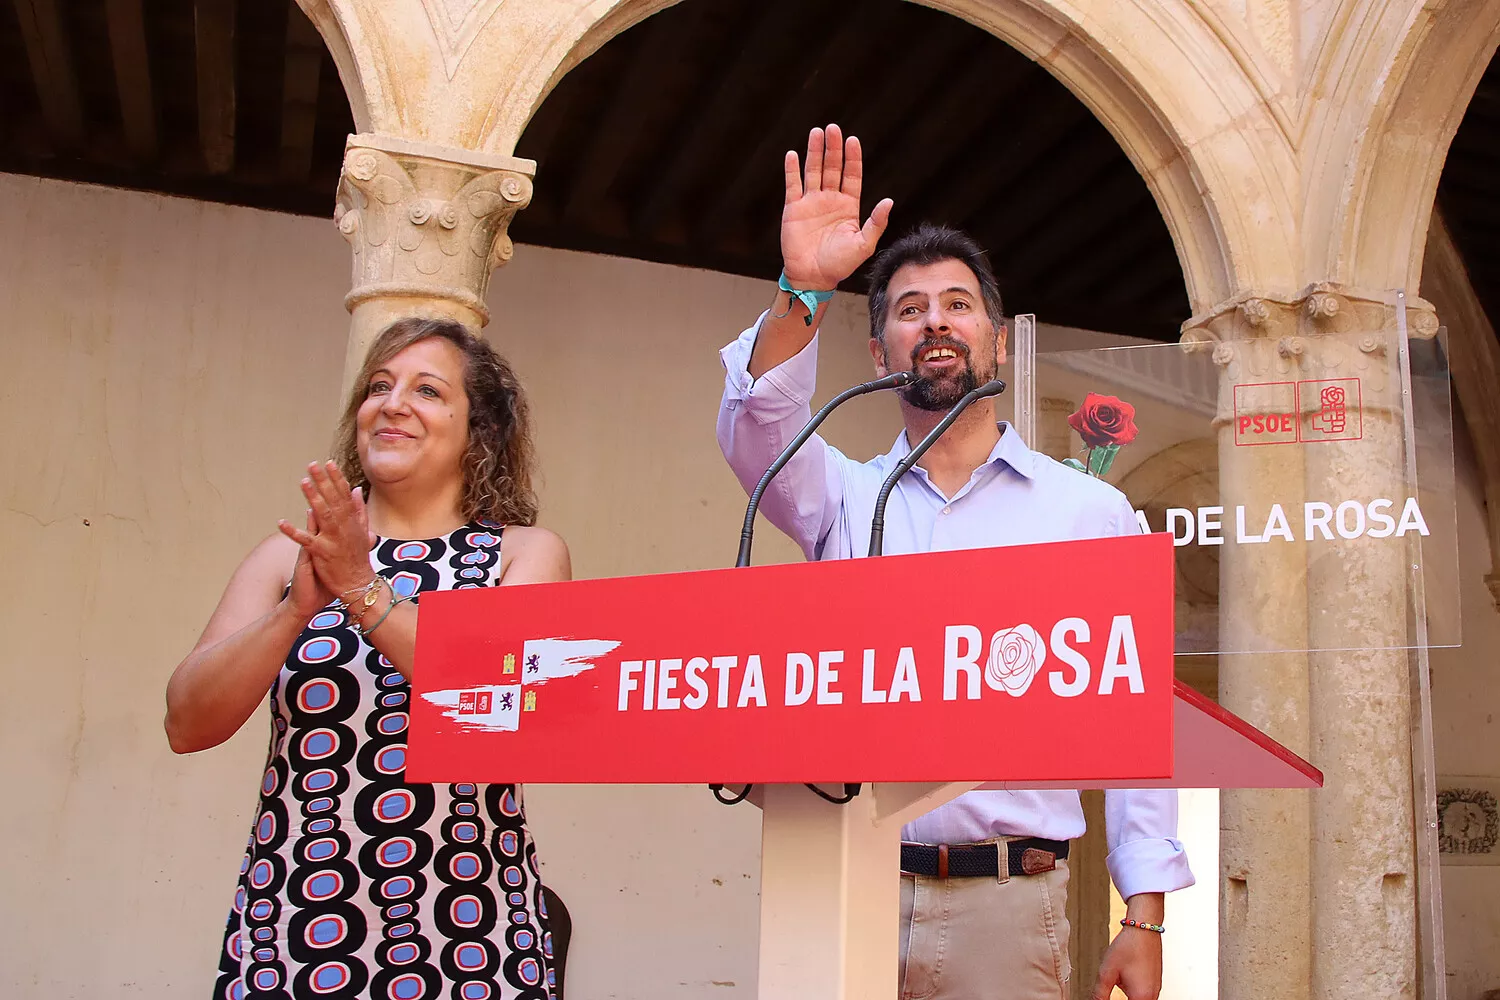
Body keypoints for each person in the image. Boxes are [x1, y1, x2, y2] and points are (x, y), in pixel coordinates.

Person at [715, 124, 1194, 1000]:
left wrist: (1146, 914)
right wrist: (804, 290)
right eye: (907, 309)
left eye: (957, 303)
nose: (934, 319)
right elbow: (756, 432)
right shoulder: (840, 498)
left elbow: (1137, 728)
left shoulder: (1089, 512)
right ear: (880, 353)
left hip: (1009, 907)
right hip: (842, 883)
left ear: (999, 340)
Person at [165, 317, 570, 1000]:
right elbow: (186, 722)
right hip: (300, 916)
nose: (393, 403)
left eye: (428, 391)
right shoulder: (286, 558)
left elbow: (504, 705)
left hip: (465, 924)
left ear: (481, 431)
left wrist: (360, 589)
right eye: (378, 386)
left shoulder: (520, 555)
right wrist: (296, 609)